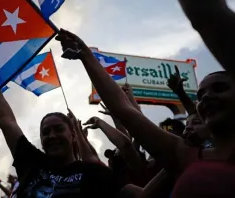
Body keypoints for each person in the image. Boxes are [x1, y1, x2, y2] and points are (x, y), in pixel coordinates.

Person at [55, 29, 235, 197]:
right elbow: (124, 111)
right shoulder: (185, 155)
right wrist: (86, 55)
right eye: (201, 95)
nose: (207, 97)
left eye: (220, 88)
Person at [0, 92, 120, 198]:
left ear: (73, 135)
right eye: (46, 132)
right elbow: (6, 121)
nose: (52, 136)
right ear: (41, 139)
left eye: (59, 129)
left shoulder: (95, 173)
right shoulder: (32, 162)